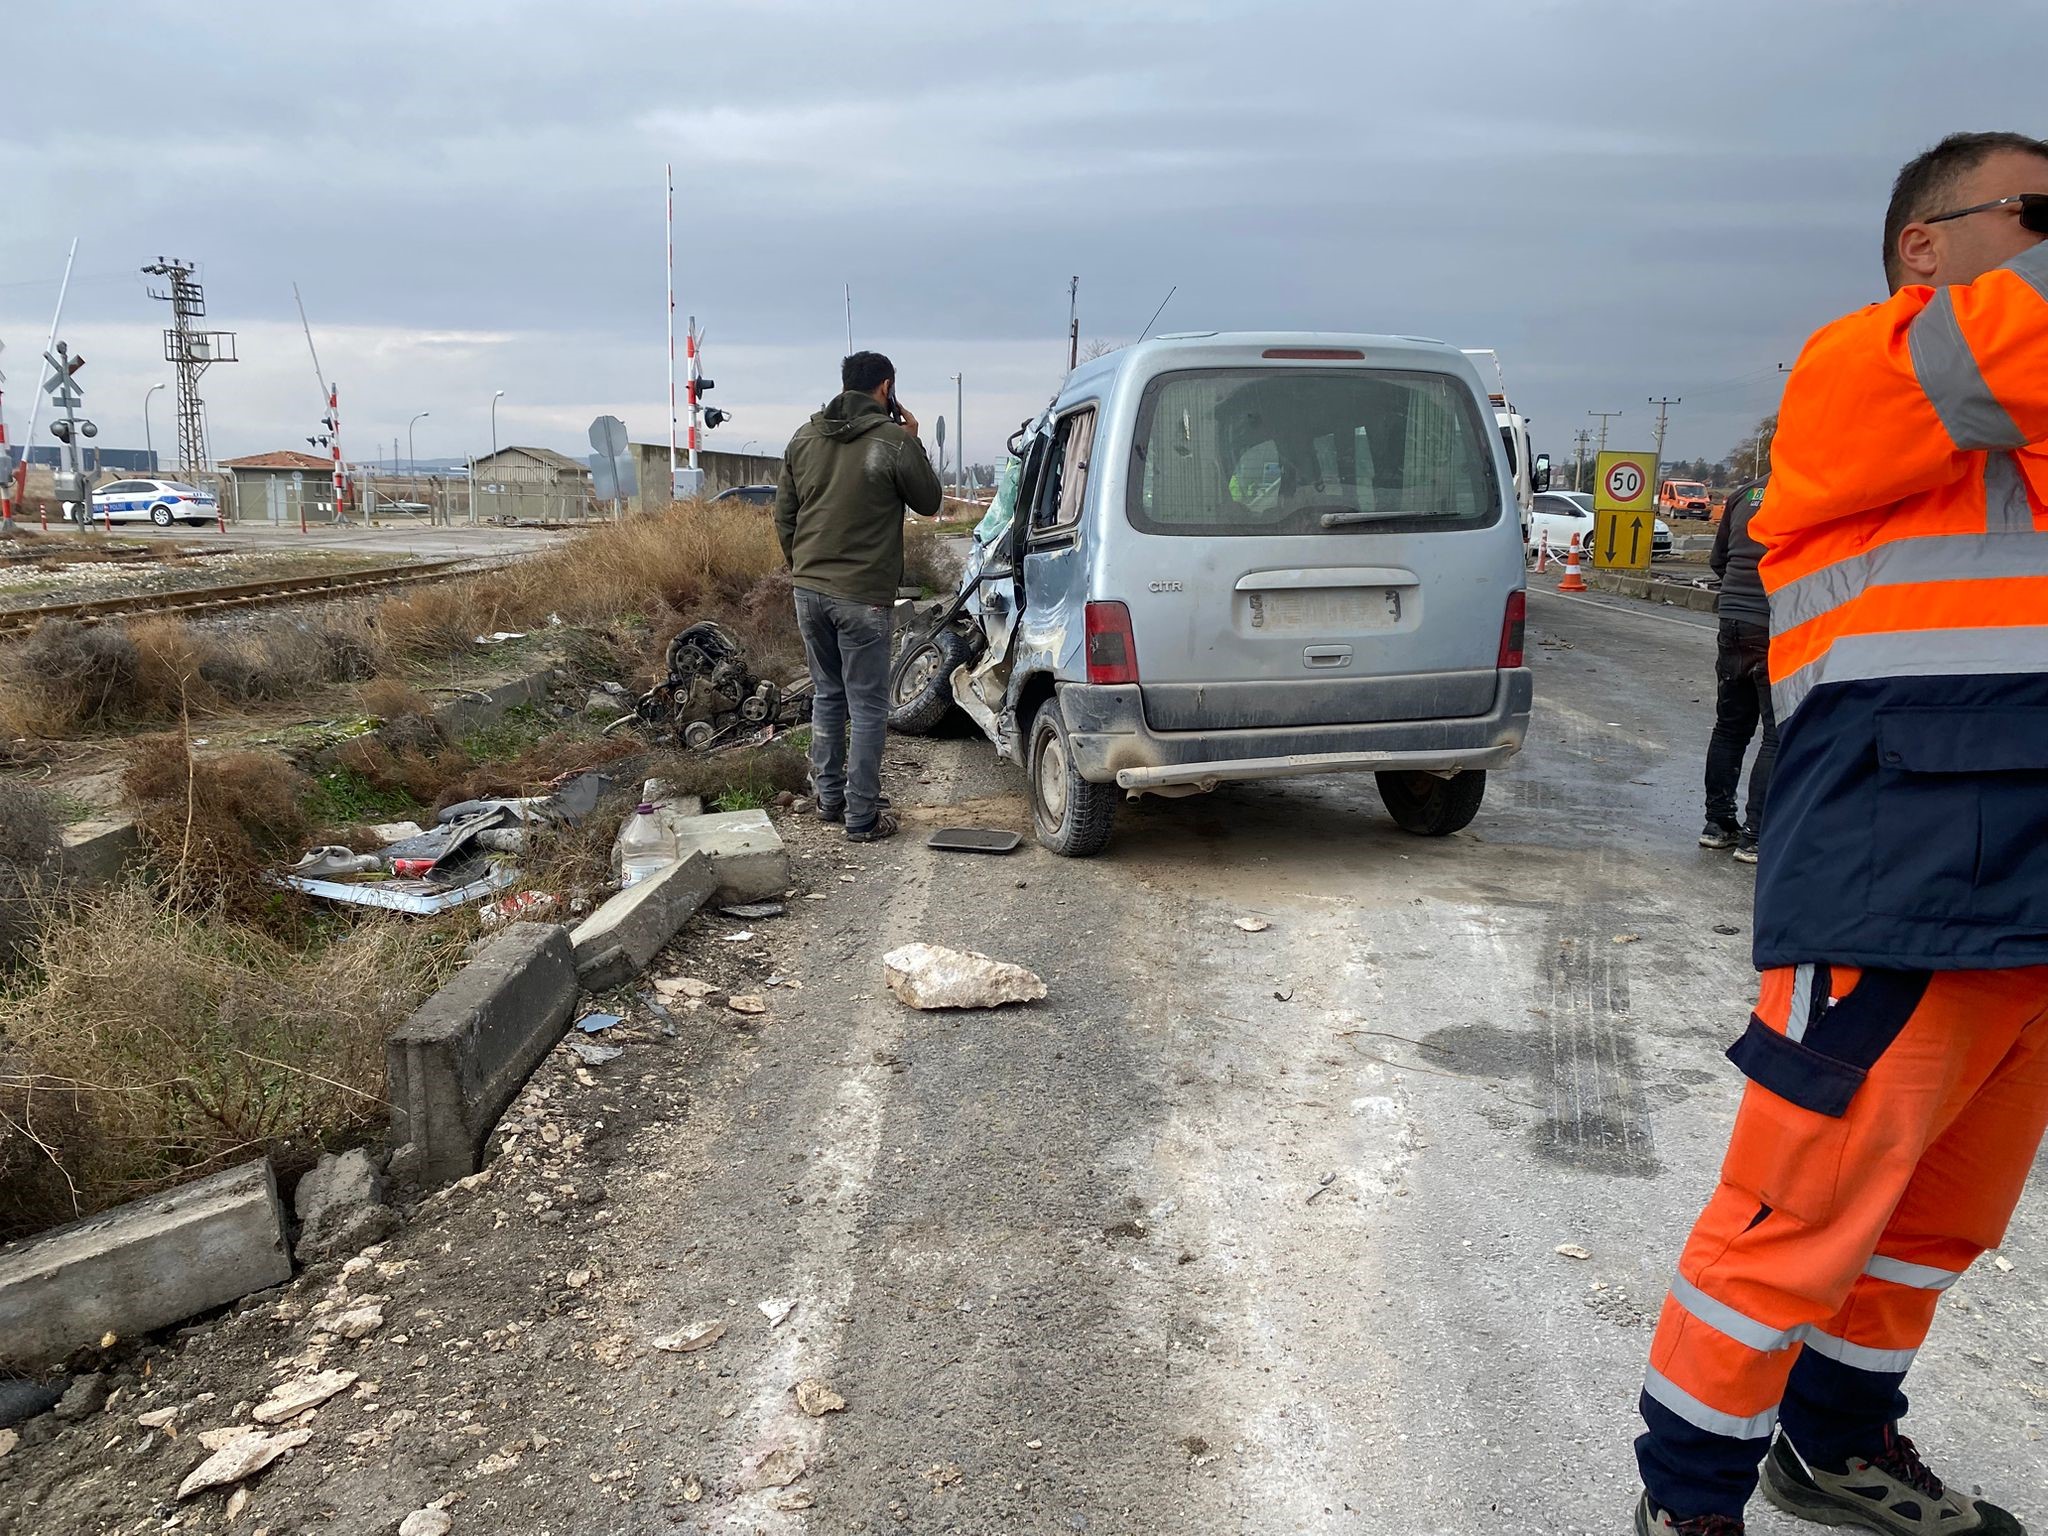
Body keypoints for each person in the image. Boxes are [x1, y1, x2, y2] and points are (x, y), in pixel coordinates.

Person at [1634, 130, 2048, 1535]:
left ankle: (1835, 1442)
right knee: (1792, 1219)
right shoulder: (1865, 366)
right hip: (1900, 855)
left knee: (1941, 1219)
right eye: (2041, 215)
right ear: (1925, 246)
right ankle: (1689, 1507)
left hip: (2029, 886)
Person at [774, 351, 943, 843]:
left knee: (828, 694)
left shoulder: (803, 438)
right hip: (864, 594)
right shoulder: (892, 441)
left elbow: (784, 516)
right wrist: (913, 443)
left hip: (809, 589)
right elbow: (929, 502)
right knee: (868, 706)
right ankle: (862, 816)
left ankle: (829, 799)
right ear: (886, 389)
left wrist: (802, 566)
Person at [1698, 478, 1774, 864]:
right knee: (1776, 735)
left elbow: (1718, 559)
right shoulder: (1807, 492)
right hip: (1776, 624)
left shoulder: (1745, 494)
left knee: (1729, 728)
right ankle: (1756, 835)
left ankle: (1718, 824)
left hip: (1732, 622)